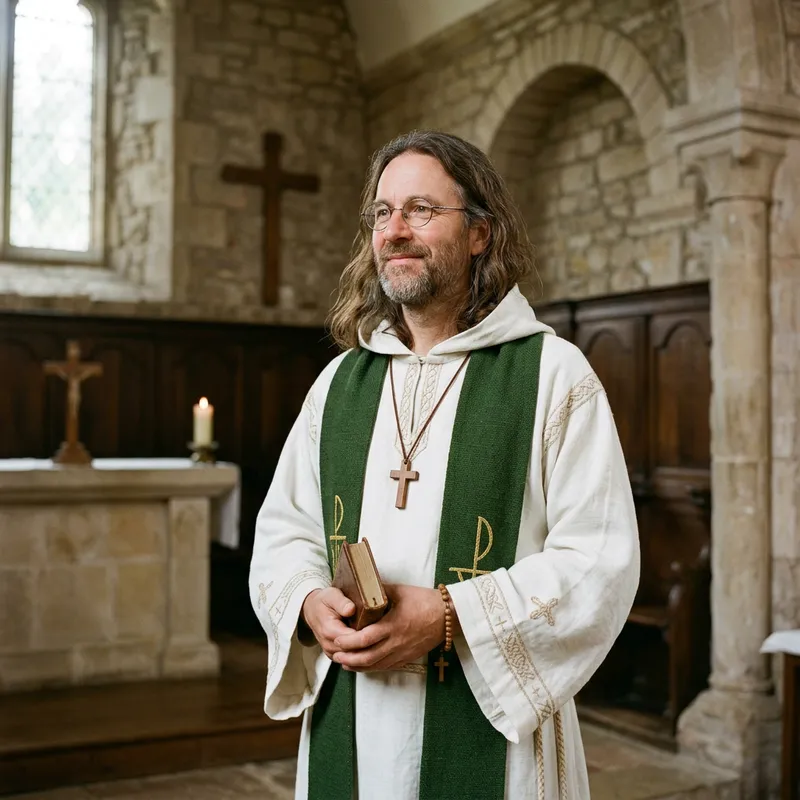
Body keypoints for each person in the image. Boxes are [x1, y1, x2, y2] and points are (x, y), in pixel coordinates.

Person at [249, 130, 639, 800]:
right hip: (356, 717)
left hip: (490, 719)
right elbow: (284, 531)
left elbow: (599, 560)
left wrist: (454, 615)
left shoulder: (551, 375)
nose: (394, 230)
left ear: (481, 233)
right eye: (382, 212)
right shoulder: (341, 383)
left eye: (421, 210)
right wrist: (309, 602)